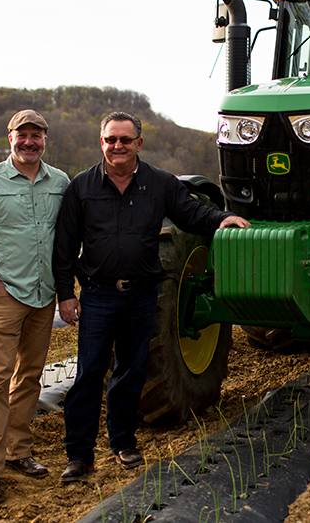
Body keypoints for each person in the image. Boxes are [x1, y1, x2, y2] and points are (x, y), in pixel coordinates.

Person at [53, 111, 249, 481]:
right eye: (111, 139)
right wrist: (67, 294)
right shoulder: (81, 187)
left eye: (125, 140)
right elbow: (64, 247)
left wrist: (220, 219)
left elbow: (190, 212)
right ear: (102, 143)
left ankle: (124, 442)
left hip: (142, 296)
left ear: (138, 144)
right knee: (89, 375)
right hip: (98, 296)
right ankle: (79, 455)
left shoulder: (159, 184)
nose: (118, 146)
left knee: (130, 373)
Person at [0, 109, 70, 504]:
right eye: (22, 135)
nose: (29, 142)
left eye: (36, 135)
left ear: (45, 140)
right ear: (10, 138)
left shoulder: (60, 182)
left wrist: (68, 288)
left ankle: (19, 452)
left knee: (30, 377)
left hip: (43, 296)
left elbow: (68, 238)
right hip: (5, 298)